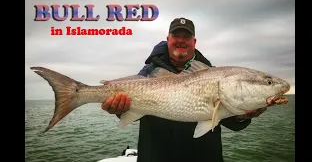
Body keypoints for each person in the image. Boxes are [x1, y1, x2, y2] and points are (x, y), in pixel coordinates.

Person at [101, 17, 267, 162]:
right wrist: (118, 110)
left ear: (194, 41)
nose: (180, 40)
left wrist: (242, 116)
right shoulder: (149, 72)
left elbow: (232, 123)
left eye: (186, 36)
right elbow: (130, 107)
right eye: (176, 36)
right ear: (168, 39)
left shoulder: (214, 75)